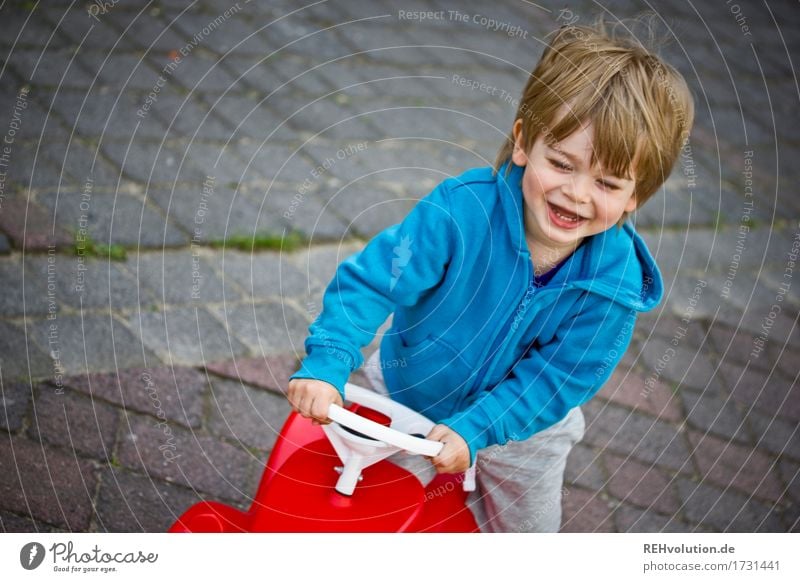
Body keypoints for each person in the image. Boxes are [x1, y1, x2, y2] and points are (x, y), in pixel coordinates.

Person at [286, 19, 694, 532]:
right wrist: (327, 360)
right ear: (524, 143)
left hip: (522, 429)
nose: (578, 194)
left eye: (608, 182)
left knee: (526, 540)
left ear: (636, 196)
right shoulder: (461, 213)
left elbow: (555, 379)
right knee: (364, 507)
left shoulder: (613, 288)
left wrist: (477, 428)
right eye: (562, 164)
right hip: (408, 384)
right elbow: (374, 281)